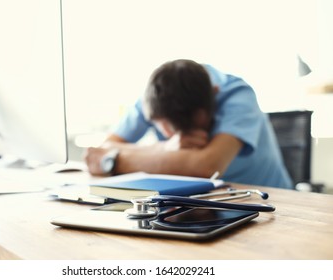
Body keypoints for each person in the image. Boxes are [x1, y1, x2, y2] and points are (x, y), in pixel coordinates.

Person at [84, 59, 293, 189]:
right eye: (171, 133)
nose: (189, 142)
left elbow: (206, 168)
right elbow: (103, 149)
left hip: (269, 199)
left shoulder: (238, 95)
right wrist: (165, 148)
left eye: (195, 128)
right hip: (201, 201)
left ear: (214, 95)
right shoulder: (153, 98)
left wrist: (114, 162)